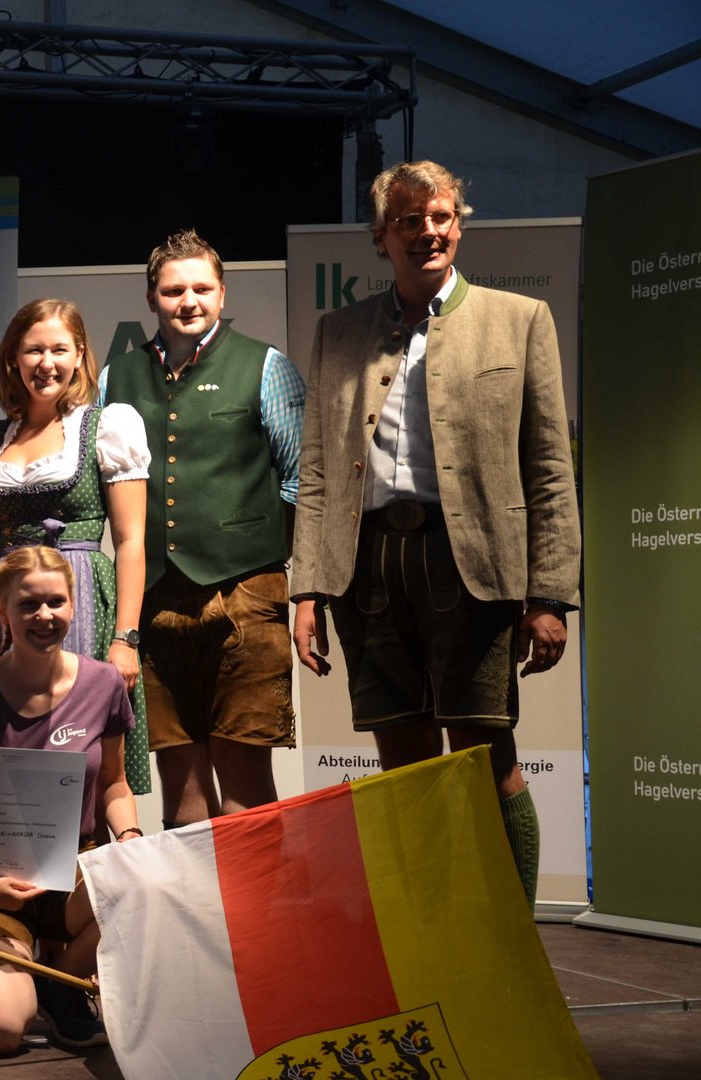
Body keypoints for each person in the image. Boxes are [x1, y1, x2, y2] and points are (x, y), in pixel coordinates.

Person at [290, 160, 580, 906]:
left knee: (487, 755)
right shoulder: (339, 332)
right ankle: (429, 934)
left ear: (458, 224)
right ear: (380, 236)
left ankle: (508, 935)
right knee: (404, 764)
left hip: (473, 566)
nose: (427, 232)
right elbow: (318, 469)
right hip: (368, 569)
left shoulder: (520, 320)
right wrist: (308, 587)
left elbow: (550, 468)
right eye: (408, 221)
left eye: (440, 217)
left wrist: (549, 595)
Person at [102, 229, 305, 828]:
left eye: (201, 288)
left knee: (246, 787)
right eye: (173, 291)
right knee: (182, 792)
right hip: (155, 603)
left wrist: (254, 546)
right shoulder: (115, 377)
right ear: (151, 299)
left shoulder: (266, 365)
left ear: (222, 293)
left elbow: (301, 478)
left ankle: (256, 896)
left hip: (246, 595)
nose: (188, 301)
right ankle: (195, 897)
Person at [0, 545, 141, 1054]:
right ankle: (6, 964)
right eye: (28, 604)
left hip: (74, 867)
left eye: (56, 602)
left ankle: (59, 982)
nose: (44, 616)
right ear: (3, 611)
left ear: (73, 605)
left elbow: (114, 784)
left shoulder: (105, 684)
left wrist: (130, 836)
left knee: (144, 881)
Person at [0, 298, 153, 796]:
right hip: (7, 609)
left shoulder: (107, 426)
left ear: (79, 355)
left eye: (59, 349)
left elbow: (130, 541)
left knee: (91, 756)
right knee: (8, 752)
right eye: (34, 350)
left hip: (81, 601)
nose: (46, 363)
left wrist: (126, 639)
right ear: (13, 358)